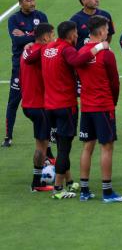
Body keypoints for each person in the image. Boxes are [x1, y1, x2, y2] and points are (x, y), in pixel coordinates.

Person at [25, 21, 108, 199]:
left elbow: (30, 58)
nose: (77, 36)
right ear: (70, 34)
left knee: (61, 144)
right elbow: (77, 61)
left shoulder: (47, 48)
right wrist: (99, 46)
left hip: (49, 107)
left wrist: (28, 45)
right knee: (64, 148)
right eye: (76, 33)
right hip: (65, 106)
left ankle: (69, 182)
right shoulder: (66, 49)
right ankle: (58, 189)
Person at [76, 15, 122, 203]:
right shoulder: (106, 54)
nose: (108, 32)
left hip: (87, 105)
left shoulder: (82, 51)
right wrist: (112, 102)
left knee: (87, 146)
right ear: (100, 31)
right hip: (103, 105)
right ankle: (107, 192)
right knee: (107, 147)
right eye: (106, 29)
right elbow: (115, 82)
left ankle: (84, 190)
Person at [4, 0, 48, 147]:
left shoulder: (41, 16)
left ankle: (51, 132)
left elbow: (46, 39)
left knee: (46, 99)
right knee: (13, 101)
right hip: (19, 66)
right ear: (20, 2)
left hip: (40, 64)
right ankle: (8, 136)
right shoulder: (13, 19)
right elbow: (17, 42)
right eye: (29, 0)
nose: (33, 3)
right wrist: (34, 36)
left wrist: (25, 36)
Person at [20, 23, 55, 191]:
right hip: (39, 105)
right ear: (45, 37)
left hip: (27, 103)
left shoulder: (27, 49)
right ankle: (37, 183)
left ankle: (41, 175)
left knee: (42, 142)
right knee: (41, 145)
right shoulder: (41, 51)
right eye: (52, 35)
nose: (54, 38)